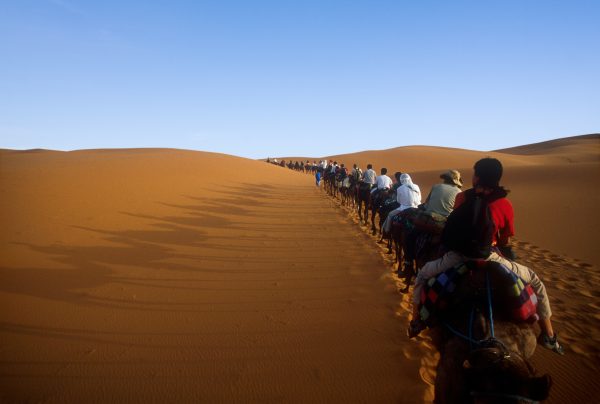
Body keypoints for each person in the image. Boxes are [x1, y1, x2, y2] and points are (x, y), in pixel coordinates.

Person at [409, 158, 564, 355]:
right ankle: (549, 335)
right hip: (490, 256)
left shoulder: (463, 198)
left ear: (477, 177)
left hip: (458, 256)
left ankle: (416, 321)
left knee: (422, 276)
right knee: (536, 283)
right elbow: (505, 240)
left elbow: (456, 227)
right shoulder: (505, 203)